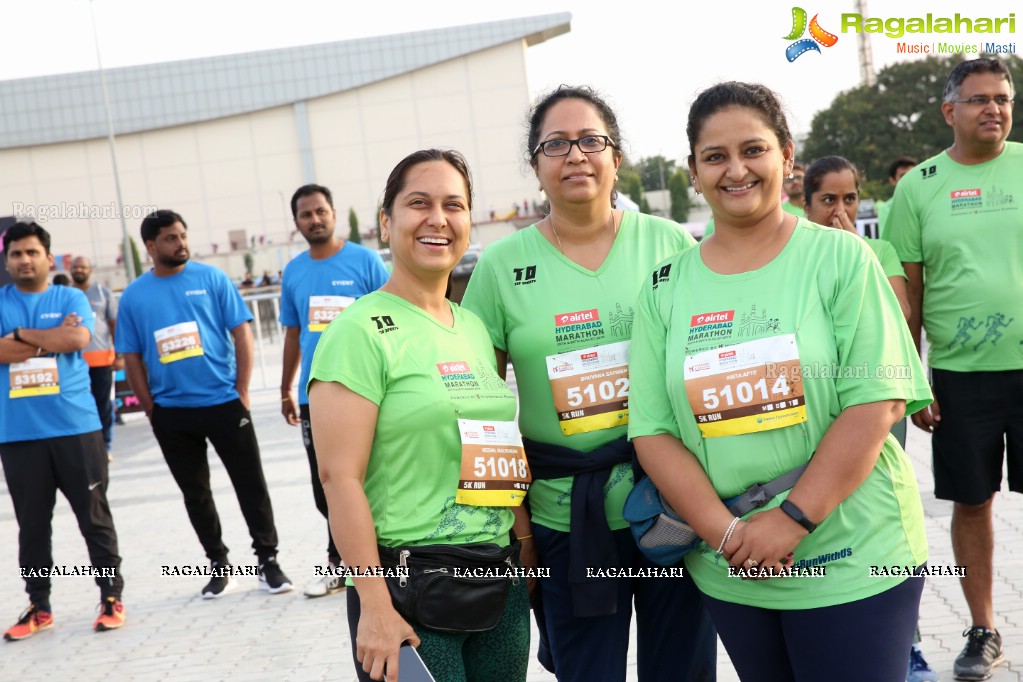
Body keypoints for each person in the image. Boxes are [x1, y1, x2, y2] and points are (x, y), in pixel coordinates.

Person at [628, 81, 933, 681]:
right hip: (734, 569)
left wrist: (791, 520)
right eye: (715, 157)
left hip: (852, 556)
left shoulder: (842, 259)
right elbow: (653, 431)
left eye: (753, 150)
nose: (735, 169)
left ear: (787, 157)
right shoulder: (664, 288)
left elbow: (877, 402)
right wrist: (730, 537)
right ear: (693, 172)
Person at [461, 85, 716, 681]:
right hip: (563, 520)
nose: (575, 155)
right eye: (555, 144)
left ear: (616, 157)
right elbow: (481, 406)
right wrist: (517, 526)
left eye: (590, 141)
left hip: (672, 507)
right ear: (536, 165)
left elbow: (703, 363)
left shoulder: (670, 244)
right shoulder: (500, 267)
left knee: (681, 670)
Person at [309, 149, 530, 682]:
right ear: (387, 221)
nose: (438, 218)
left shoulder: (473, 326)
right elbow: (339, 479)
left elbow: (493, 444)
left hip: (498, 582)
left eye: (453, 205)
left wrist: (522, 543)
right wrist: (374, 606)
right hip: (409, 594)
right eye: (418, 203)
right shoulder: (357, 332)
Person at [887, 57, 1020, 680]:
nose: (993, 108)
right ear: (950, 111)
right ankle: (984, 628)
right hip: (963, 377)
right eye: (979, 99)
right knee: (973, 503)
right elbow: (905, 297)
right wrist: (913, 381)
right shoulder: (918, 187)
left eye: (1002, 97)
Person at [801, 155, 937, 682]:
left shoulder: (875, 250)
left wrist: (853, 248)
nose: (840, 209)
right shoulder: (797, 254)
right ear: (806, 204)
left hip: (874, 403)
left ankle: (909, 644)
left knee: (880, 519)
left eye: (849, 198)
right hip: (819, 410)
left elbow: (901, 312)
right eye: (828, 200)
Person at [115, 210, 292, 598]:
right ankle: (217, 563)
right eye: (169, 238)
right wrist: (151, 409)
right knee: (195, 492)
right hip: (172, 414)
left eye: (182, 235)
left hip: (224, 403)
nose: (180, 243)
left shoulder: (211, 279)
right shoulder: (134, 296)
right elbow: (131, 357)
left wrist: (242, 391)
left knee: (251, 484)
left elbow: (241, 333)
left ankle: (268, 561)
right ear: (150, 247)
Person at [0, 222, 126, 640]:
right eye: (16, 253)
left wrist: (18, 336)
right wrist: (48, 339)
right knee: (32, 526)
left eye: (32, 252)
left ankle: (111, 596)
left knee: (94, 518)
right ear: (7, 260)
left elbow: (77, 339)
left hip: (76, 428)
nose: (24, 260)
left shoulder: (70, 295)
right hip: (18, 434)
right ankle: (39, 605)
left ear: (48, 259)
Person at [279, 183, 389, 597]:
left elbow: (389, 316)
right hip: (316, 397)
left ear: (333, 213)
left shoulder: (364, 261)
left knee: (372, 475)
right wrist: (286, 387)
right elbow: (293, 332)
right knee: (326, 483)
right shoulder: (293, 271)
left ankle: (372, 561)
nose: (315, 219)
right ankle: (341, 562)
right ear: (297, 223)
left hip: (367, 391)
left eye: (320, 211)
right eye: (306, 215)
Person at [70, 256, 119, 456]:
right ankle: (83, 446)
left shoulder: (102, 293)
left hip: (101, 359)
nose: (79, 270)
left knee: (103, 403)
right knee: (77, 404)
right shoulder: (66, 295)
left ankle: (105, 445)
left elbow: (114, 325)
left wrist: (120, 354)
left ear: (90, 269)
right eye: (75, 267)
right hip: (73, 362)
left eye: (83, 266)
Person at [876, 156, 918, 240]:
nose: (908, 179)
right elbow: (886, 241)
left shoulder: (926, 202)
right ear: (892, 180)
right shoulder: (886, 210)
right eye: (903, 176)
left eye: (912, 174)